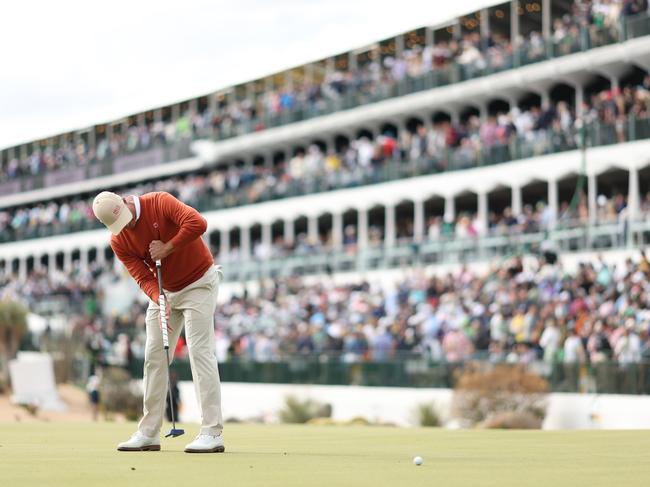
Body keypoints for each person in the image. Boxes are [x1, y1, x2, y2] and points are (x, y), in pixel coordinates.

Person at [92, 190, 224, 453]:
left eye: (126, 219)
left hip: (199, 282)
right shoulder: (118, 240)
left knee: (199, 352)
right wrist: (158, 298)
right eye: (118, 226)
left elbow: (198, 223)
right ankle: (149, 432)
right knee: (154, 356)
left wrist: (168, 246)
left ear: (126, 201)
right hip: (165, 291)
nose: (126, 227)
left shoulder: (160, 202)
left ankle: (212, 432)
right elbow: (142, 276)